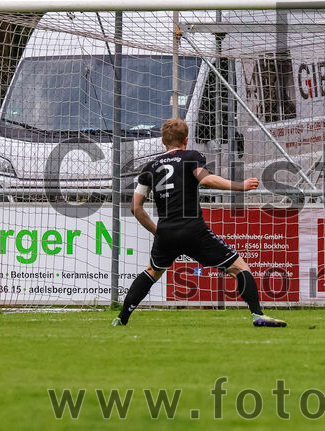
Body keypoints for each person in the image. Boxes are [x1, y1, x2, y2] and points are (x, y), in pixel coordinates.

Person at [112, 118, 286, 327]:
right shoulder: (191, 157)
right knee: (239, 267)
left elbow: (135, 207)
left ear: (163, 141)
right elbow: (205, 179)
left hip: (166, 232)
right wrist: (240, 186)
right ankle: (257, 315)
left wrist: (157, 231)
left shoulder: (149, 168)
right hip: (193, 229)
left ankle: (121, 319)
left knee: (152, 271)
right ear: (186, 140)